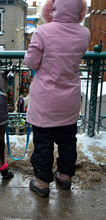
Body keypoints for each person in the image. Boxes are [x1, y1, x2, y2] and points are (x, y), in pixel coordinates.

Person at [24, 0, 90, 197]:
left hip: (45, 103)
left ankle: (42, 183)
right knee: (68, 142)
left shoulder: (42, 32)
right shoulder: (84, 33)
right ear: (80, 10)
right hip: (69, 102)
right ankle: (64, 177)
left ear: (52, 8)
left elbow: (31, 62)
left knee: (43, 145)